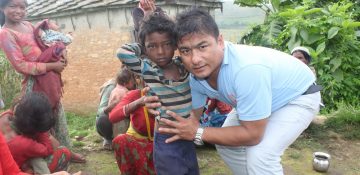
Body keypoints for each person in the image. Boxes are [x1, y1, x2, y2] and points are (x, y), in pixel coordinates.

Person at [145, 8, 322, 175]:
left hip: (298, 97)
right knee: (226, 144)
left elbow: (253, 135)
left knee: (261, 155)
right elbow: (191, 117)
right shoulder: (194, 77)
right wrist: (161, 104)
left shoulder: (246, 70)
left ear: (220, 41)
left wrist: (198, 132)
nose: (195, 59)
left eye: (202, 46)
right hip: (262, 98)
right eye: (186, 50)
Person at [116, 13, 199, 174]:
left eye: (167, 44)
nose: (160, 51)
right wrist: (143, 45)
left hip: (188, 134)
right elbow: (122, 52)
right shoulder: (147, 69)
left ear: (175, 44)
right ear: (145, 48)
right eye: (152, 46)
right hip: (165, 138)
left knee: (191, 170)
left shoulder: (184, 65)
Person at [0, 0, 71, 148]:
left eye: (22, 7)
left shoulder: (28, 25)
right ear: (2, 8)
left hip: (50, 78)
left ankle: (66, 149)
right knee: (41, 116)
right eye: (13, 6)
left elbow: (46, 40)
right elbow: (21, 65)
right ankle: (49, 153)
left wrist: (61, 50)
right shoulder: (6, 33)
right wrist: (53, 65)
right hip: (35, 83)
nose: (18, 11)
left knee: (56, 111)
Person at [2, 92, 73, 174]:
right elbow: (49, 148)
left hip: (9, 166)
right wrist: (43, 131)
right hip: (15, 170)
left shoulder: (6, 116)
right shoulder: (24, 143)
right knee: (64, 152)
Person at [109, 88, 155, 175]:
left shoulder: (170, 94)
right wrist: (138, 102)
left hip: (162, 145)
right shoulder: (136, 95)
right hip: (138, 144)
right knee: (120, 140)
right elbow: (113, 116)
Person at [96, 68, 135, 150]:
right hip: (117, 118)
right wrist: (109, 108)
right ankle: (110, 139)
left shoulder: (117, 88)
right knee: (103, 120)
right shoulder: (115, 88)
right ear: (125, 83)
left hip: (116, 116)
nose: (134, 82)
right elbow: (100, 111)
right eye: (132, 81)